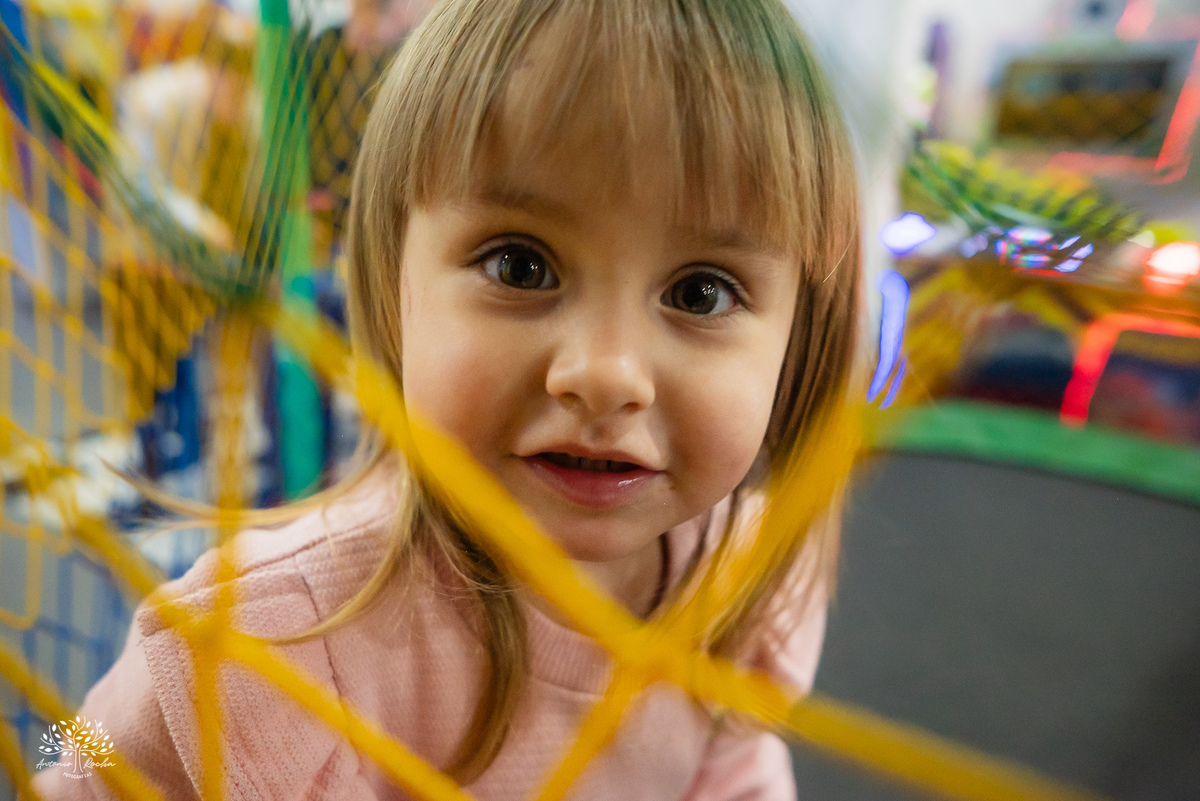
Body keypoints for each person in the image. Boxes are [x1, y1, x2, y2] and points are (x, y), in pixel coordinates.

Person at [33, 0, 862, 798]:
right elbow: (71, 754)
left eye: (701, 293)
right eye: (520, 266)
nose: (606, 374)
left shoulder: (749, 572)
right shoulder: (249, 645)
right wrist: (68, 740)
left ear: (799, 341)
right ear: (395, 286)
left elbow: (730, 770)